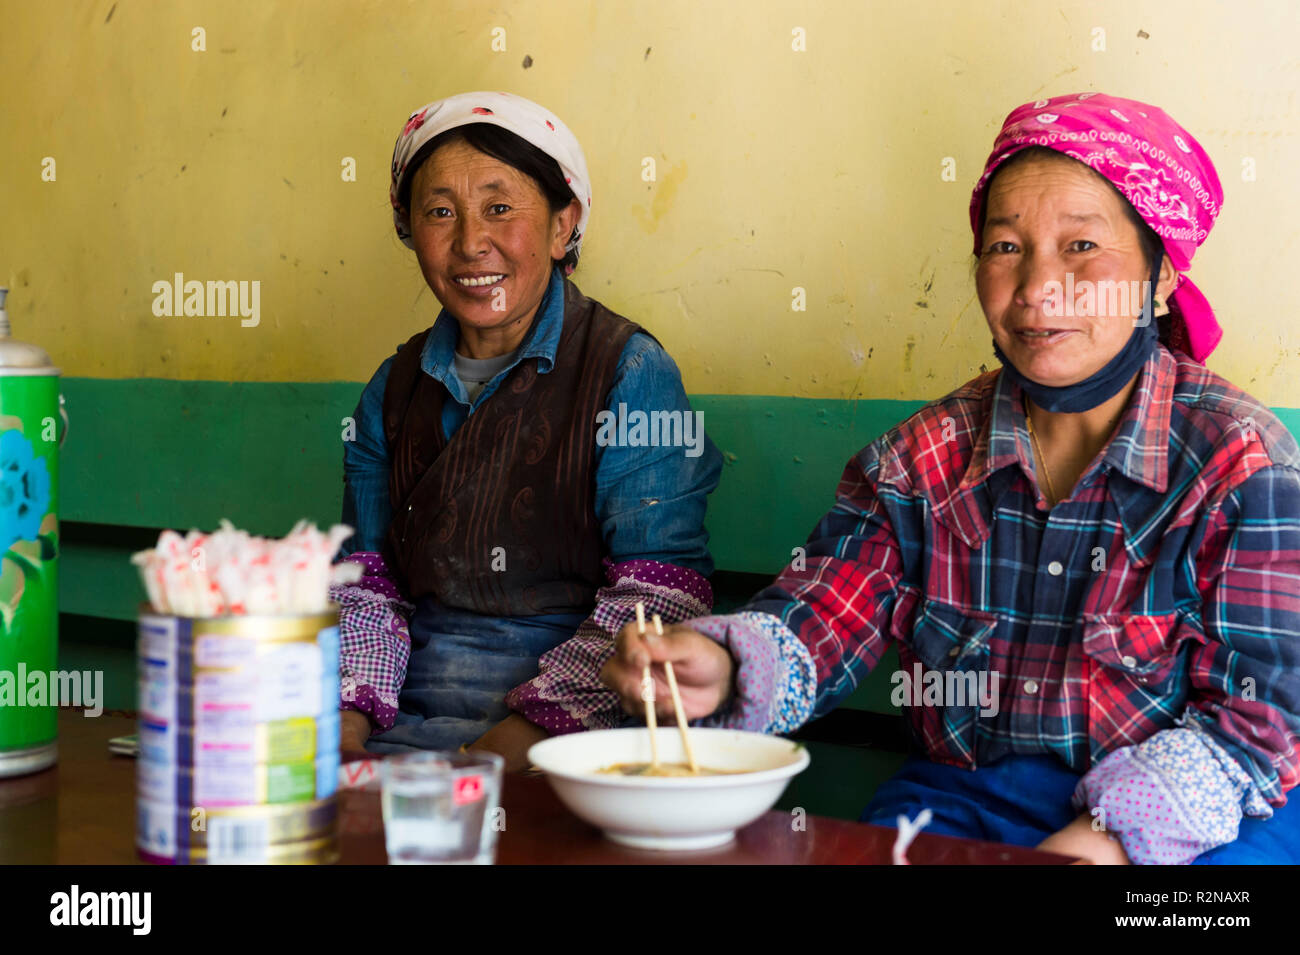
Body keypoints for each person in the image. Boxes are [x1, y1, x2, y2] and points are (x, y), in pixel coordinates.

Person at [600, 93, 1300, 865]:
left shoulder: (1241, 465)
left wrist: (1100, 842)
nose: (1036, 287)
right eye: (1005, 248)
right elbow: (821, 615)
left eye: (1081, 248)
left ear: (1161, 276)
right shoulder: (915, 461)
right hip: (965, 796)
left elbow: (1261, 720)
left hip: (1199, 821)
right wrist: (723, 663)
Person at [334, 91, 722, 764]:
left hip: (578, 744)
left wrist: (489, 761)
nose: (469, 241)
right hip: (405, 725)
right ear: (410, 230)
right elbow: (368, 591)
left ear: (562, 223)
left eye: (499, 206)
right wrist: (342, 739)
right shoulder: (392, 392)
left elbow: (653, 605)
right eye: (440, 211)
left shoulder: (628, 372)